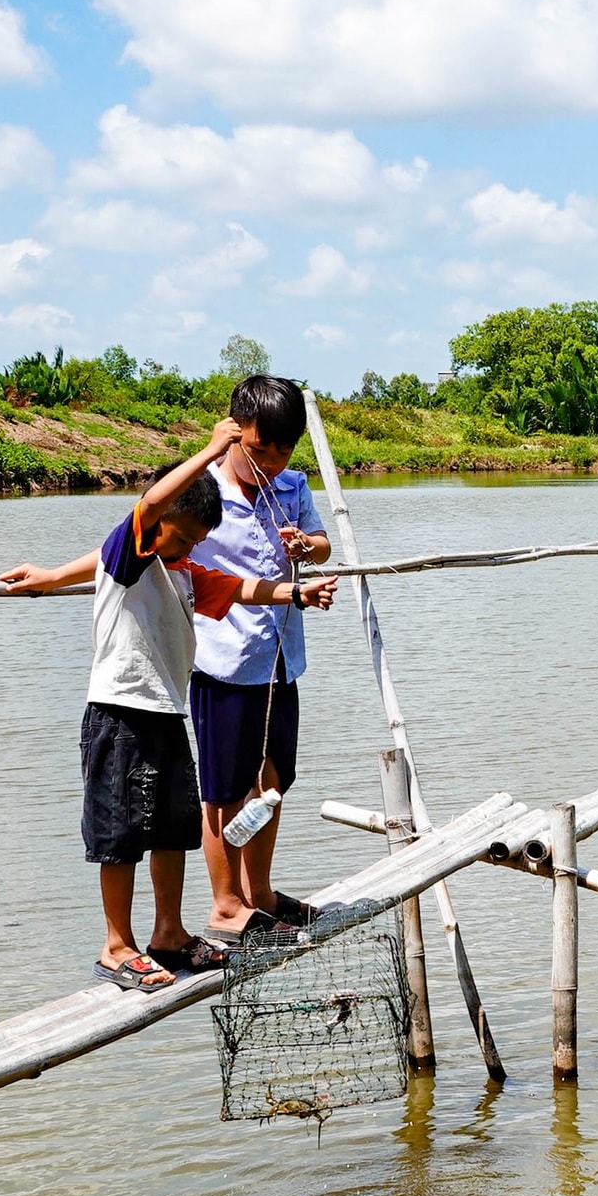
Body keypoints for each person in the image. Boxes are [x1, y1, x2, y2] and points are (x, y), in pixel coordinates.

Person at [0, 419, 338, 991]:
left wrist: (296, 592)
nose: (184, 549)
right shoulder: (131, 554)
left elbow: (242, 588)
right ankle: (116, 945)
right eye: (178, 539)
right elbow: (153, 503)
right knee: (120, 834)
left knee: (173, 829)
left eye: (193, 542)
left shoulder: (184, 570)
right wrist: (209, 451)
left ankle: (169, 934)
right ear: (153, 528)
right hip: (119, 712)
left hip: (166, 712)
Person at [190, 375, 333, 943]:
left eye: (283, 451)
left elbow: (321, 545)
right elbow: (148, 536)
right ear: (233, 433)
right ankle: (226, 905)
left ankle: (261, 893)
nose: (271, 463)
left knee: (272, 780)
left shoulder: (292, 486)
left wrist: (305, 547)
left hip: (279, 657)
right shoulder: (201, 489)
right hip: (224, 656)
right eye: (259, 450)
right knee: (224, 788)